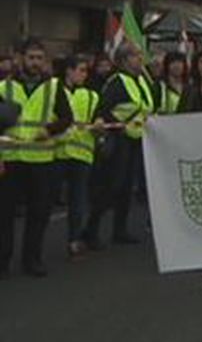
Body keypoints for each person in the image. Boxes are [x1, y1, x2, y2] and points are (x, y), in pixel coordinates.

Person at [0, 42, 74, 278]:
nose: (35, 62)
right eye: (31, 57)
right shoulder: (4, 87)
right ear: (19, 58)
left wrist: (50, 131)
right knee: (4, 215)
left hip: (42, 160)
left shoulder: (54, 87)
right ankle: (3, 260)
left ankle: (32, 259)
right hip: (10, 159)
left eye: (40, 58)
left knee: (39, 213)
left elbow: (67, 118)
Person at [83, 44, 153, 249]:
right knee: (113, 186)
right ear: (124, 60)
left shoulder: (141, 81)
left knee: (126, 187)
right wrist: (119, 127)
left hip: (136, 139)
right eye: (136, 55)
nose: (140, 59)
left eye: (140, 55)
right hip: (120, 139)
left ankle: (119, 230)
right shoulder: (117, 82)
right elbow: (103, 109)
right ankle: (91, 229)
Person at [53, 56, 101, 260]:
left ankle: (74, 241)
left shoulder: (91, 96)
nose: (84, 74)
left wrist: (99, 127)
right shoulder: (55, 91)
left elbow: (99, 122)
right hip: (56, 152)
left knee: (78, 201)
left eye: (86, 71)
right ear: (69, 71)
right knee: (45, 201)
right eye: (81, 70)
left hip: (82, 154)